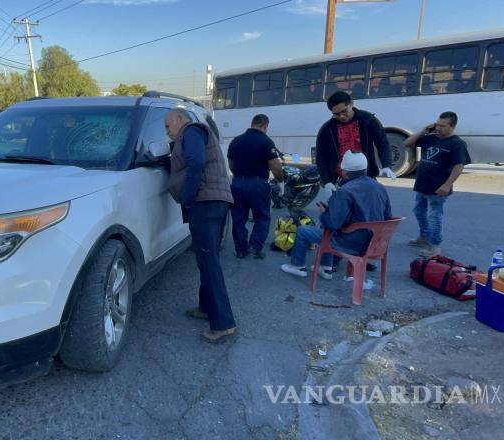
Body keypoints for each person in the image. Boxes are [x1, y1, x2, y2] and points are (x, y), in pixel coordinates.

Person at [164, 108, 237, 343]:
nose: (167, 132)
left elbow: (195, 163)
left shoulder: (191, 131)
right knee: (206, 260)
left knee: (209, 263)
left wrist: (187, 196)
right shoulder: (193, 134)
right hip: (214, 202)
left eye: (168, 126)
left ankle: (223, 324)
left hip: (205, 204)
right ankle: (205, 308)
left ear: (179, 119)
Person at [281, 151, 392, 279]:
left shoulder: (345, 191)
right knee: (328, 228)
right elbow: (388, 217)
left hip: (352, 243)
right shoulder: (380, 187)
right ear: (365, 169)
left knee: (304, 231)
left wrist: (324, 213)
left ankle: (297, 266)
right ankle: (325, 267)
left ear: (344, 172)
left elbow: (333, 224)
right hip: (376, 243)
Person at [404, 111, 470, 257]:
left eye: (442, 126)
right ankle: (424, 237)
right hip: (422, 184)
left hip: (438, 188)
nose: (438, 128)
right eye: (437, 124)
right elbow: (407, 143)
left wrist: (447, 185)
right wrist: (424, 130)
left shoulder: (457, 144)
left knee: (434, 216)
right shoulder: (431, 138)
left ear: (452, 126)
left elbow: (458, 166)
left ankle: (435, 247)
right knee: (419, 211)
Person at [316, 91, 395, 197]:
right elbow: (321, 157)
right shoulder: (327, 129)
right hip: (341, 179)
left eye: (344, 111)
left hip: (366, 176)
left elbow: (382, 142)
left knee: (370, 207)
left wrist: (386, 165)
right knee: (343, 210)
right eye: (336, 114)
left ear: (351, 104)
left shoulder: (368, 120)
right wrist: (327, 181)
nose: (342, 116)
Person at [227, 114, 284, 259]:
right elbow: (275, 167)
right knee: (262, 217)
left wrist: (241, 177)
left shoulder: (236, 141)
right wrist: (280, 181)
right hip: (258, 184)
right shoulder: (266, 141)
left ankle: (240, 250)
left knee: (239, 218)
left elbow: (231, 165)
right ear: (265, 126)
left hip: (237, 184)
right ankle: (254, 247)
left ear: (252, 123)